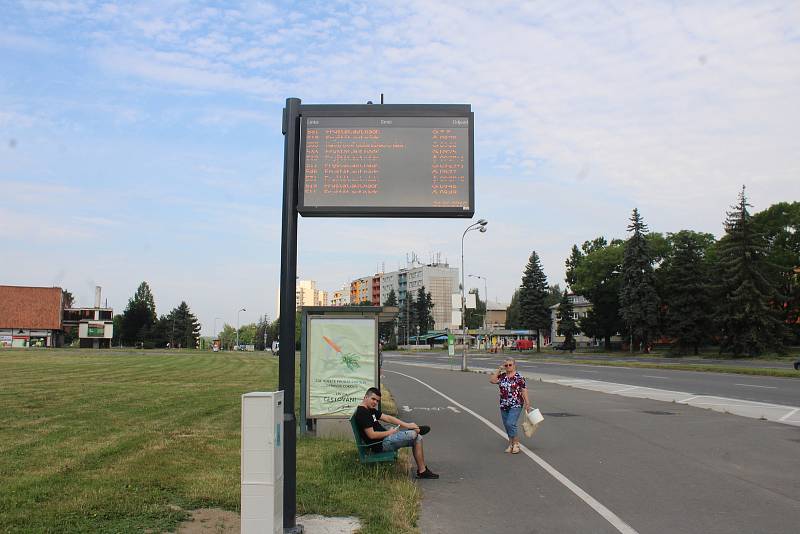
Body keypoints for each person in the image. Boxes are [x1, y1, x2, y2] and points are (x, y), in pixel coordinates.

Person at [353, 387, 439, 479]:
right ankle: (416, 430)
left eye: (377, 401)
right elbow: (372, 435)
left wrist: (407, 424)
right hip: (381, 444)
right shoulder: (363, 413)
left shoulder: (370, 410)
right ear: (365, 397)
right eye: (373, 399)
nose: (375, 403)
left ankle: (422, 471)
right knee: (413, 435)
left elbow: (388, 418)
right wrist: (389, 432)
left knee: (418, 438)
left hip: (386, 438)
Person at [489, 358, 531, 454]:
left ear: (514, 365)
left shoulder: (519, 377)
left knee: (510, 423)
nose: (508, 367)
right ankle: (511, 444)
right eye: (506, 365)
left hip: (516, 403)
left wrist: (527, 403)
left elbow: (524, 390)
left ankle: (516, 443)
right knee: (506, 425)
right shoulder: (502, 376)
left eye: (510, 365)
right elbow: (492, 380)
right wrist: (499, 369)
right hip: (504, 404)